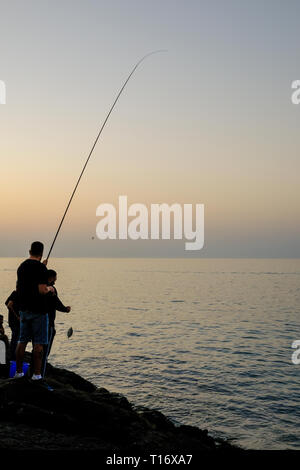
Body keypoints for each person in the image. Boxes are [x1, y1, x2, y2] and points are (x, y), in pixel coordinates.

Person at [15, 241, 54, 382]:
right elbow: (42, 290)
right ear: (41, 253)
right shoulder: (41, 269)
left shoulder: (22, 266)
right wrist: (51, 288)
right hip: (39, 311)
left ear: (29, 251)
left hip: (24, 310)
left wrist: (42, 268)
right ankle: (36, 375)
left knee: (22, 341)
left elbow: (19, 287)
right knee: (38, 344)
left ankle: (18, 372)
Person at [42, 269, 71, 375]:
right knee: (46, 347)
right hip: (48, 322)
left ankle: (36, 370)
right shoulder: (51, 289)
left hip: (39, 321)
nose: (56, 279)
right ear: (51, 277)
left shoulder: (39, 287)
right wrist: (65, 309)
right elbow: (56, 303)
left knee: (38, 345)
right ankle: (41, 372)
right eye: (55, 277)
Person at [5, 290, 20, 360]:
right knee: (15, 337)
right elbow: (9, 305)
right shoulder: (16, 293)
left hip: (13, 321)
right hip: (15, 321)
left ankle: (13, 355)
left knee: (15, 337)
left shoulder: (15, 293)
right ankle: (12, 356)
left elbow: (7, 303)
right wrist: (17, 317)